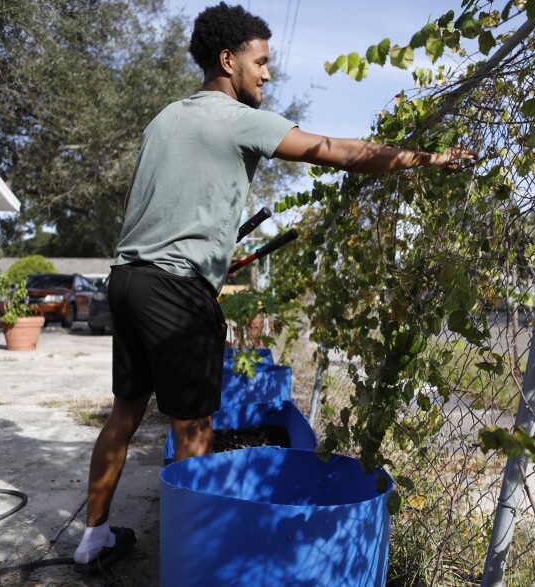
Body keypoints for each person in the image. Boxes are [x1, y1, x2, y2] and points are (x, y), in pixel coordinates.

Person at [71, 2, 476, 573]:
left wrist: (203, 254)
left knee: (126, 412)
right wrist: (426, 157)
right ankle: (200, 563)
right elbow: (333, 152)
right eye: (260, 62)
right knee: (194, 427)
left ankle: (92, 540)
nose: (267, 74)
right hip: (175, 290)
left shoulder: (163, 120)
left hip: (128, 279)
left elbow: (154, 204)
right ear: (227, 60)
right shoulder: (237, 117)